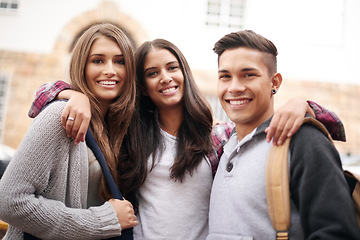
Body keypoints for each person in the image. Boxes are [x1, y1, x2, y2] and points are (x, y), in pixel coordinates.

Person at [28, 39, 345, 240]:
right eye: (152, 73)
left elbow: (325, 126)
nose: (165, 77)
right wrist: (73, 94)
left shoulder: (217, 136)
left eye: (172, 67)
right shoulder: (130, 135)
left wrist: (304, 104)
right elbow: (40, 99)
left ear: (185, 73)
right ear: (143, 84)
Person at [207, 30, 360, 239]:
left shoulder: (303, 141)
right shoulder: (220, 145)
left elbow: (337, 233)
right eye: (225, 76)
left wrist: (305, 106)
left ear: (275, 83)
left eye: (248, 75)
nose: (234, 87)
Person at [0, 23, 139, 239]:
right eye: (98, 60)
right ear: (81, 66)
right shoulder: (61, 116)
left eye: (119, 61)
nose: (110, 70)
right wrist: (103, 221)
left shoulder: (121, 127)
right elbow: (9, 201)